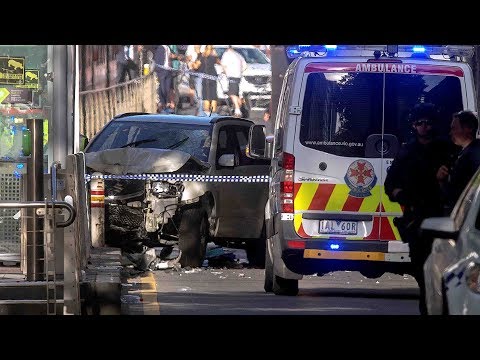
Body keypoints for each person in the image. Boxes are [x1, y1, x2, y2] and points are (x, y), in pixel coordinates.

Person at [384, 102, 458, 315]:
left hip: (441, 217)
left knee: (441, 271)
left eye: (427, 123)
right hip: (415, 218)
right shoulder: (407, 151)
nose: (424, 127)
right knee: (420, 268)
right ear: (414, 125)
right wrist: (401, 194)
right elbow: (391, 184)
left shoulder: (446, 149)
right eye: (419, 123)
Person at [437, 110, 480, 214]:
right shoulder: (463, 153)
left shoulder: (474, 156)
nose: (450, 132)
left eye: (454, 128)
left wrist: (441, 180)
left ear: (469, 128)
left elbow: (457, 194)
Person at [220, 45, 247, 117]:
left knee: (232, 94)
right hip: (238, 76)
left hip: (231, 76)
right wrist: (239, 71)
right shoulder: (238, 55)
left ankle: (238, 110)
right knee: (236, 93)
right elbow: (245, 66)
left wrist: (225, 72)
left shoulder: (226, 55)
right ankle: (240, 108)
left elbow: (223, 65)